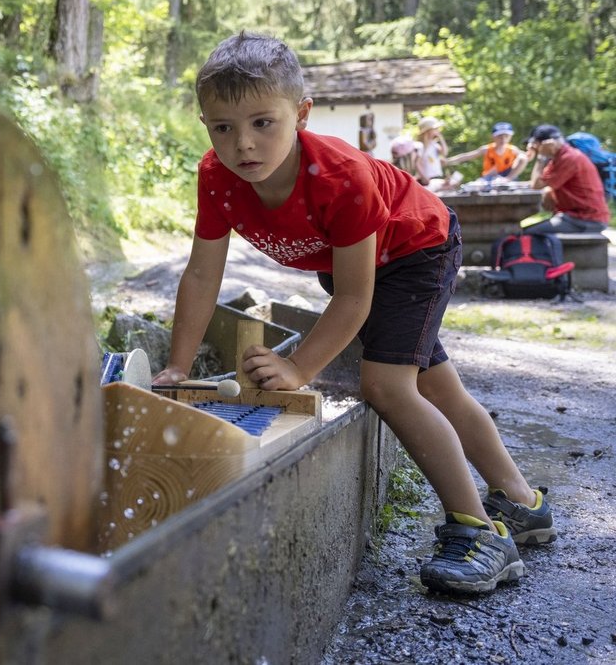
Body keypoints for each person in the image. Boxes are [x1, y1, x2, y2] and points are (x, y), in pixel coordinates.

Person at [152, 32, 555, 595]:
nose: (243, 143)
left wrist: (298, 369)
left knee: (387, 387)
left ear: (302, 114)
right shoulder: (218, 178)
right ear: (205, 124)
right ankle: (522, 503)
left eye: (263, 123)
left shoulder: (340, 175)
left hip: (417, 249)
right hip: (353, 265)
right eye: (223, 128)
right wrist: (177, 366)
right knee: (434, 386)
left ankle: (480, 533)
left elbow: (353, 298)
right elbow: (202, 275)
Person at [520, 124, 611, 234]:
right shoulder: (558, 158)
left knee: (527, 233)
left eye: (536, 145)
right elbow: (538, 183)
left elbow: (536, 185)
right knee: (526, 231)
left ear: (548, 143)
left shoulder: (569, 158)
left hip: (586, 219)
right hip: (574, 216)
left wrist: (540, 158)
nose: (535, 149)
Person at [445, 121, 529, 181]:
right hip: (489, 177)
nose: (503, 139)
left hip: (506, 177)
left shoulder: (512, 149)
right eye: (500, 136)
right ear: (494, 137)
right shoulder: (487, 149)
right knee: (490, 173)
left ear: (510, 137)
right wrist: (448, 161)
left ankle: (508, 179)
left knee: (522, 157)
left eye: (506, 136)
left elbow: (526, 157)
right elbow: (467, 156)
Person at [414, 116, 452, 189]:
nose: (438, 131)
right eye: (435, 129)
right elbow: (417, 163)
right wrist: (424, 178)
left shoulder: (434, 144)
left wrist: (441, 138)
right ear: (427, 131)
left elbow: (445, 153)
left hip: (436, 177)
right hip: (426, 179)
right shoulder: (421, 146)